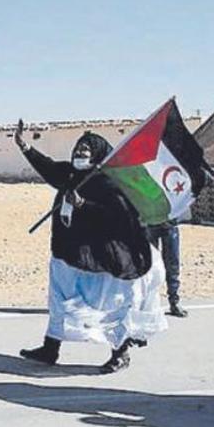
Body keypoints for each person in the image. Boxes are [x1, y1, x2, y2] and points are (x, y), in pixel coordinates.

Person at [14, 120, 166, 373]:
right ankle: (50, 349)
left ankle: (120, 353)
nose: (80, 153)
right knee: (59, 300)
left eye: (86, 150)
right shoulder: (71, 175)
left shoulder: (109, 183)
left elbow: (119, 216)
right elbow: (48, 168)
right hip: (68, 253)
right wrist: (25, 146)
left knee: (110, 307)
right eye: (78, 149)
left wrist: (83, 204)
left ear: (97, 155)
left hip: (101, 260)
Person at [146, 219, 187, 317]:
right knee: (149, 265)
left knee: (172, 264)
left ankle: (174, 301)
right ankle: (147, 303)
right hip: (149, 220)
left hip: (169, 222)